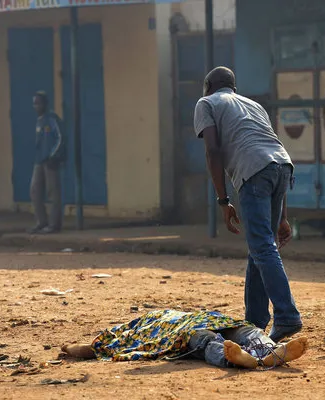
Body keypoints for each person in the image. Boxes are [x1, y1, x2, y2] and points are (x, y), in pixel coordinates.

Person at [193, 67, 302, 343]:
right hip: (282, 165)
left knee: (262, 246)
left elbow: (212, 150)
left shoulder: (206, 103)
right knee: (260, 248)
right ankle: (254, 323)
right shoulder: (254, 106)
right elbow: (271, 152)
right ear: (234, 86)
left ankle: (287, 316)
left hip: (253, 172)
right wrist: (282, 218)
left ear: (208, 85)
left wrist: (223, 200)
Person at [61, 309, 308, 369]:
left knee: (241, 332)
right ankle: (265, 354)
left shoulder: (143, 323)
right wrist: (70, 348)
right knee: (222, 337)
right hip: (193, 328)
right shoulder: (141, 326)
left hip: (201, 323)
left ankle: (265, 355)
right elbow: (93, 347)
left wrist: (70, 348)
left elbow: (98, 345)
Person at [29, 91, 65, 234]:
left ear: (45, 104)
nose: (36, 106)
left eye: (38, 103)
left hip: (51, 161)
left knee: (53, 193)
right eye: (34, 103)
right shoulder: (39, 121)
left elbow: (61, 138)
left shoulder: (52, 119)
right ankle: (41, 222)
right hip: (39, 161)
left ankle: (54, 224)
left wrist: (53, 156)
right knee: (35, 191)